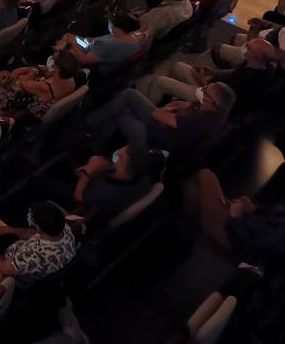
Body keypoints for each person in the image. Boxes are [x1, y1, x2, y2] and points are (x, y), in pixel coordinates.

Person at [85, 81, 235, 154]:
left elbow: (158, 116)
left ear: (212, 103)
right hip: (162, 125)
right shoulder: (209, 107)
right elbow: (179, 104)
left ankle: (90, 126)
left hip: (154, 139)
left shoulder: (201, 121)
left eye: (206, 91)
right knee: (124, 106)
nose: (202, 90)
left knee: (127, 102)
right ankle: (96, 141)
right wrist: (164, 110)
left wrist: (159, 112)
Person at [143, 38, 276, 110]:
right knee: (179, 66)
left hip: (210, 101)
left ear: (256, 56)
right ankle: (165, 102)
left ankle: (148, 111)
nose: (244, 48)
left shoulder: (247, 80)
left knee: (160, 81)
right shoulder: (258, 65)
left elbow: (217, 99)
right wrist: (212, 71)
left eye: (249, 48)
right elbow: (232, 72)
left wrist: (201, 79)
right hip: (212, 87)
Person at [183, 168, 285, 262]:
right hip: (255, 229)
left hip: (238, 236)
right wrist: (255, 211)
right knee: (200, 188)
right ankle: (196, 236)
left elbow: (251, 244)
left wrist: (236, 217)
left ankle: (202, 237)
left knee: (204, 177)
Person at [0, 49, 81, 119]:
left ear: (57, 68)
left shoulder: (45, 87)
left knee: (3, 76)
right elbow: (45, 72)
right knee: (16, 74)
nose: (50, 59)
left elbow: (23, 83)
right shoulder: (70, 79)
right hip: (35, 100)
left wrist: (33, 70)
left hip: (21, 105)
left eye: (53, 59)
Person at [74, 145, 167, 222]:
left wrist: (88, 171)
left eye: (121, 158)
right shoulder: (144, 176)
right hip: (100, 203)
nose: (118, 154)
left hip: (98, 210)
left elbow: (78, 196)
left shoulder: (110, 193)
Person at [56, 12, 144, 68]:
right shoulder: (133, 40)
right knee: (68, 37)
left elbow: (84, 59)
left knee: (65, 41)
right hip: (91, 47)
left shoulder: (107, 45)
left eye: (110, 24)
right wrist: (93, 40)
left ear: (117, 28)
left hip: (86, 56)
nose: (108, 25)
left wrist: (74, 43)